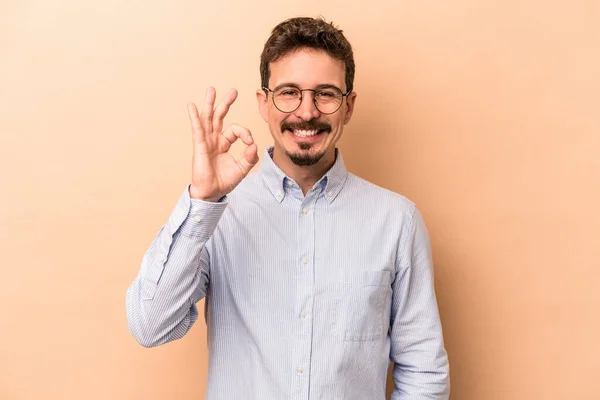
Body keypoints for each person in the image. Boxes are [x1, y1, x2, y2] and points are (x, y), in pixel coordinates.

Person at [126, 16, 450, 400]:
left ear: (348, 107)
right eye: (289, 92)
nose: (307, 111)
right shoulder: (218, 213)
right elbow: (150, 325)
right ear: (264, 103)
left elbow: (423, 371)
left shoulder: (398, 221)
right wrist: (202, 201)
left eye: (326, 94)